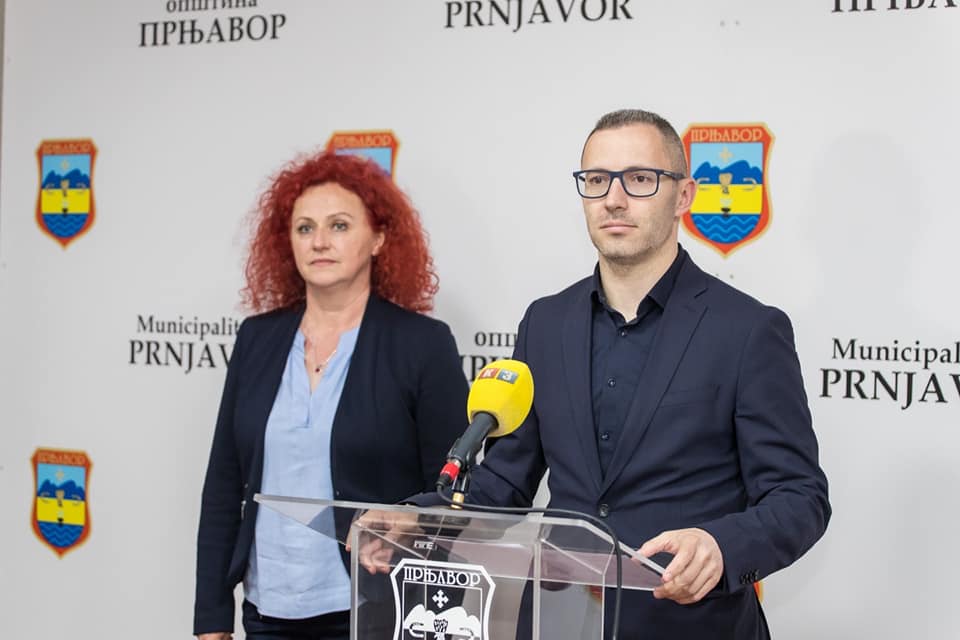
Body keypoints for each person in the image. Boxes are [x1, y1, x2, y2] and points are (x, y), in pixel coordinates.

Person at [387, 109, 830, 639]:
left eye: (640, 179)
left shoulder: (748, 329)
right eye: (597, 180)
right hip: (560, 622)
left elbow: (799, 496)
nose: (614, 199)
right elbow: (505, 480)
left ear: (684, 196)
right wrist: (415, 517)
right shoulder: (545, 323)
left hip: (689, 625)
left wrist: (720, 546)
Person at [193, 150, 469, 639]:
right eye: (305, 228)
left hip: (375, 609)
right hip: (266, 612)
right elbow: (223, 484)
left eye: (339, 225)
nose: (319, 241)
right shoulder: (256, 339)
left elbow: (454, 492)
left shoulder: (422, 345)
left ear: (379, 238)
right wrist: (211, 616)